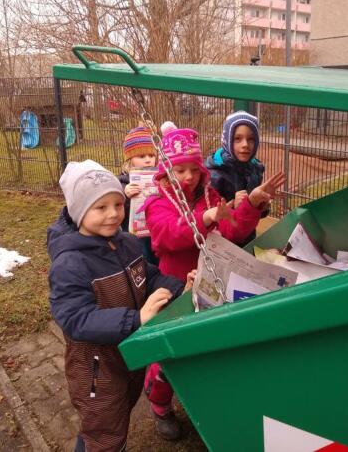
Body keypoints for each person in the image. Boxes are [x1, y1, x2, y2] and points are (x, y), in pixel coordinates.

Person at [142, 123, 284, 436]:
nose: (189, 177)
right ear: (166, 170)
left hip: (212, 280)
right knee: (168, 353)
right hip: (176, 285)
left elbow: (232, 230)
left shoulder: (210, 195)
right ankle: (160, 402)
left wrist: (252, 204)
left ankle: (203, 394)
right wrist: (204, 218)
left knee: (206, 344)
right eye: (180, 170)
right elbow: (166, 237)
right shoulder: (156, 202)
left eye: (194, 169)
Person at [47, 159, 195, 452]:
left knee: (111, 421)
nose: (114, 214)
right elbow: (75, 319)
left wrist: (181, 289)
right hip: (95, 369)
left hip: (128, 356)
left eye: (118, 204)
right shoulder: (70, 263)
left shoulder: (125, 243)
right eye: (101, 208)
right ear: (79, 212)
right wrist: (136, 318)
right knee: (105, 432)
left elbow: (148, 276)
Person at [206, 110, 279, 244]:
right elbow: (208, 218)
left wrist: (262, 206)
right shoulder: (214, 174)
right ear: (227, 140)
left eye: (251, 139)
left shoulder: (255, 169)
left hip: (248, 240)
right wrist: (233, 205)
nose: (245, 144)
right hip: (221, 246)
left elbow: (256, 216)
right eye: (237, 138)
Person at [118, 125, 158, 264]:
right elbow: (116, 207)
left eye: (152, 155)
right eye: (141, 156)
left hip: (155, 229)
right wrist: (125, 195)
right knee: (141, 258)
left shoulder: (160, 177)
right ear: (130, 160)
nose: (148, 160)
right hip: (134, 234)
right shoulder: (122, 182)